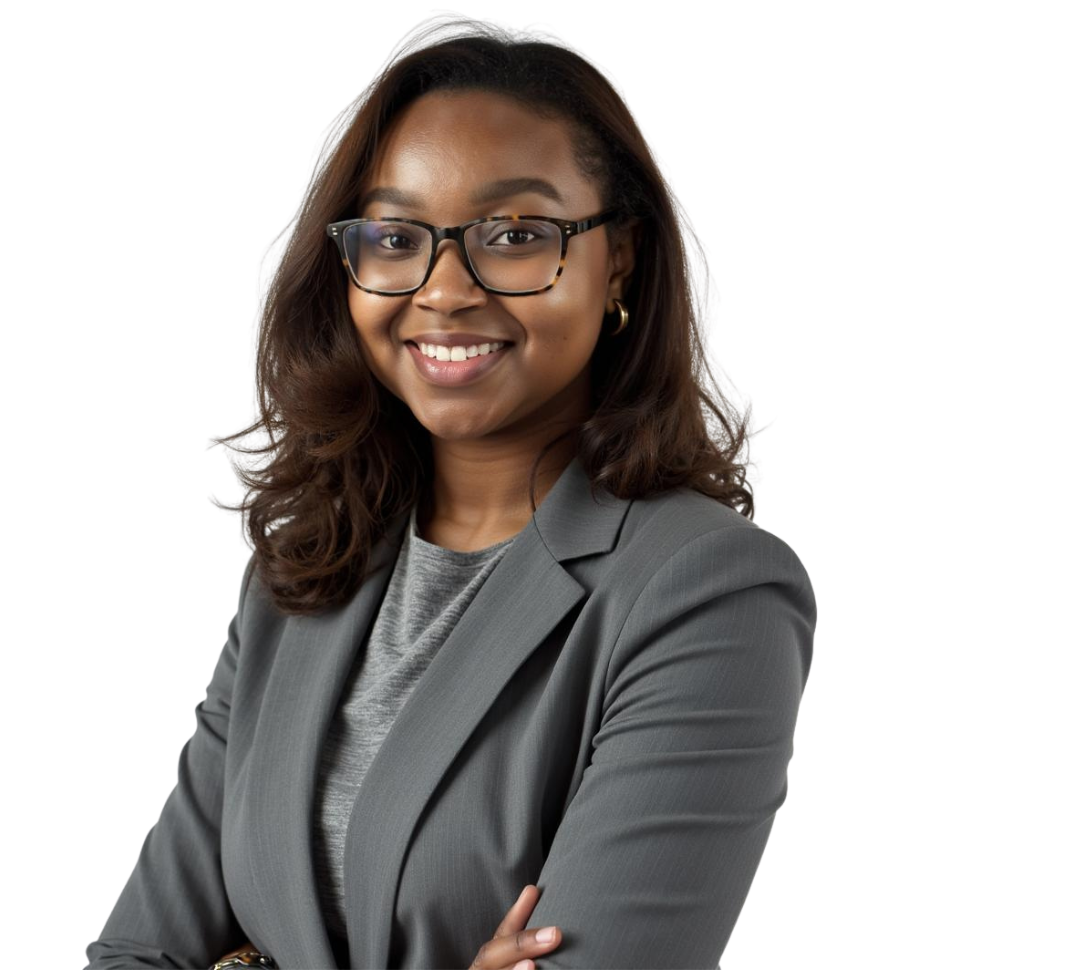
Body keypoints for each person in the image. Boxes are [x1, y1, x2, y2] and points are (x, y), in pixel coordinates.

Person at [85, 13, 816, 970]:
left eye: (514, 234)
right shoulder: (299, 569)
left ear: (619, 261)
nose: (442, 289)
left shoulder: (711, 594)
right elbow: (131, 958)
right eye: (396, 235)